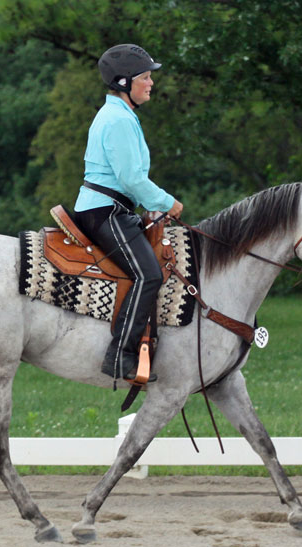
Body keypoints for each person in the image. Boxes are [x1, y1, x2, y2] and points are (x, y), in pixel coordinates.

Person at [73, 44, 184, 383]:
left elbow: (130, 181)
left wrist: (150, 205)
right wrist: (168, 203)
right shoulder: (118, 120)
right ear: (125, 82)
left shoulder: (121, 116)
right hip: (103, 212)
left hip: (114, 208)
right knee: (149, 275)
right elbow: (131, 178)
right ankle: (120, 354)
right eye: (146, 77)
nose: (151, 83)